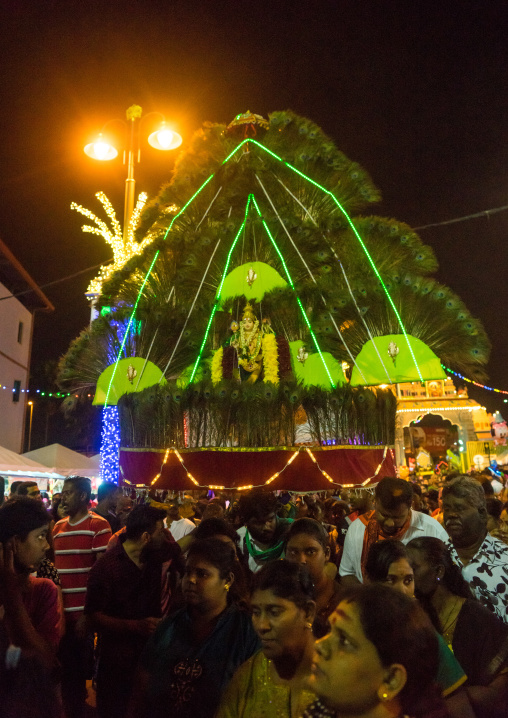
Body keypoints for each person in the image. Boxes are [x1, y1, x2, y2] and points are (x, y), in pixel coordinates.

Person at [129, 538, 259, 718]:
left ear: (227, 580)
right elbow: (142, 684)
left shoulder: (246, 632)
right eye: (187, 572)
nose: (190, 580)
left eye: (202, 574)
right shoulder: (169, 626)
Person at [85, 504, 183, 718]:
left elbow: (179, 553)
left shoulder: (154, 558)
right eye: (161, 531)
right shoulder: (106, 568)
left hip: (151, 658)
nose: (165, 537)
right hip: (116, 661)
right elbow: (93, 616)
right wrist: (133, 626)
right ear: (146, 537)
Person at [305, 584, 448, 718]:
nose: (319, 645)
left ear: (391, 680)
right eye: (329, 630)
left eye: (344, 641)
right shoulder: (319, 712)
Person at [407, 536, 508, 717]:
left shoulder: (476, 617)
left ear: (438, 571)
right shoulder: (413, 617)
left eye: (413, 568)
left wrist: (458, 696)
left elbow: (500, 686)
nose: (408, 575)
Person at [216, 560, 317, 718]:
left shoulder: (339, 679)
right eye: (256, 612)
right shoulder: (247, 678)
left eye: (274, 612)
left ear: (308, 612)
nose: (262, 626)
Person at [52, 475, 112, 718]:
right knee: (63, 668)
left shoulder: (98, 525)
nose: (63, 496)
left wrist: (89, 614)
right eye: (63, 492)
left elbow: (100, 574)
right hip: (58, 612)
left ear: (83, 496)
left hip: (81, 614)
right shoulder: (57, 527)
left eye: (68, 492)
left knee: (78, 668)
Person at [339, 477, 448, 584]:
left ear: (410, 506)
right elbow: (347, 573)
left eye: (397, 517)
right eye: (384, 515)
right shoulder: (358, 528)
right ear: (375, 502)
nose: (389, 523)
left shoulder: (432, 530)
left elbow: (449, 572)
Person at [441, 475, 508, 623]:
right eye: (447, 508)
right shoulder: (437, 559)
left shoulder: (505, 559)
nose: (451, 514)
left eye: (460, 508)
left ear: (482, 514)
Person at [285, 518, 342, 637]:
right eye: (293, 552)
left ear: (326, 554)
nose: (301, 560)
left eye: (310, 552)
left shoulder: (343, 601)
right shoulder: (282, 597)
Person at [237, 491, 293, 573]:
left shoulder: (291, 532)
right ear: (246, 523)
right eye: (259, 522)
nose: (267, 527)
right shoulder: (239, 540)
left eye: (270, 519)